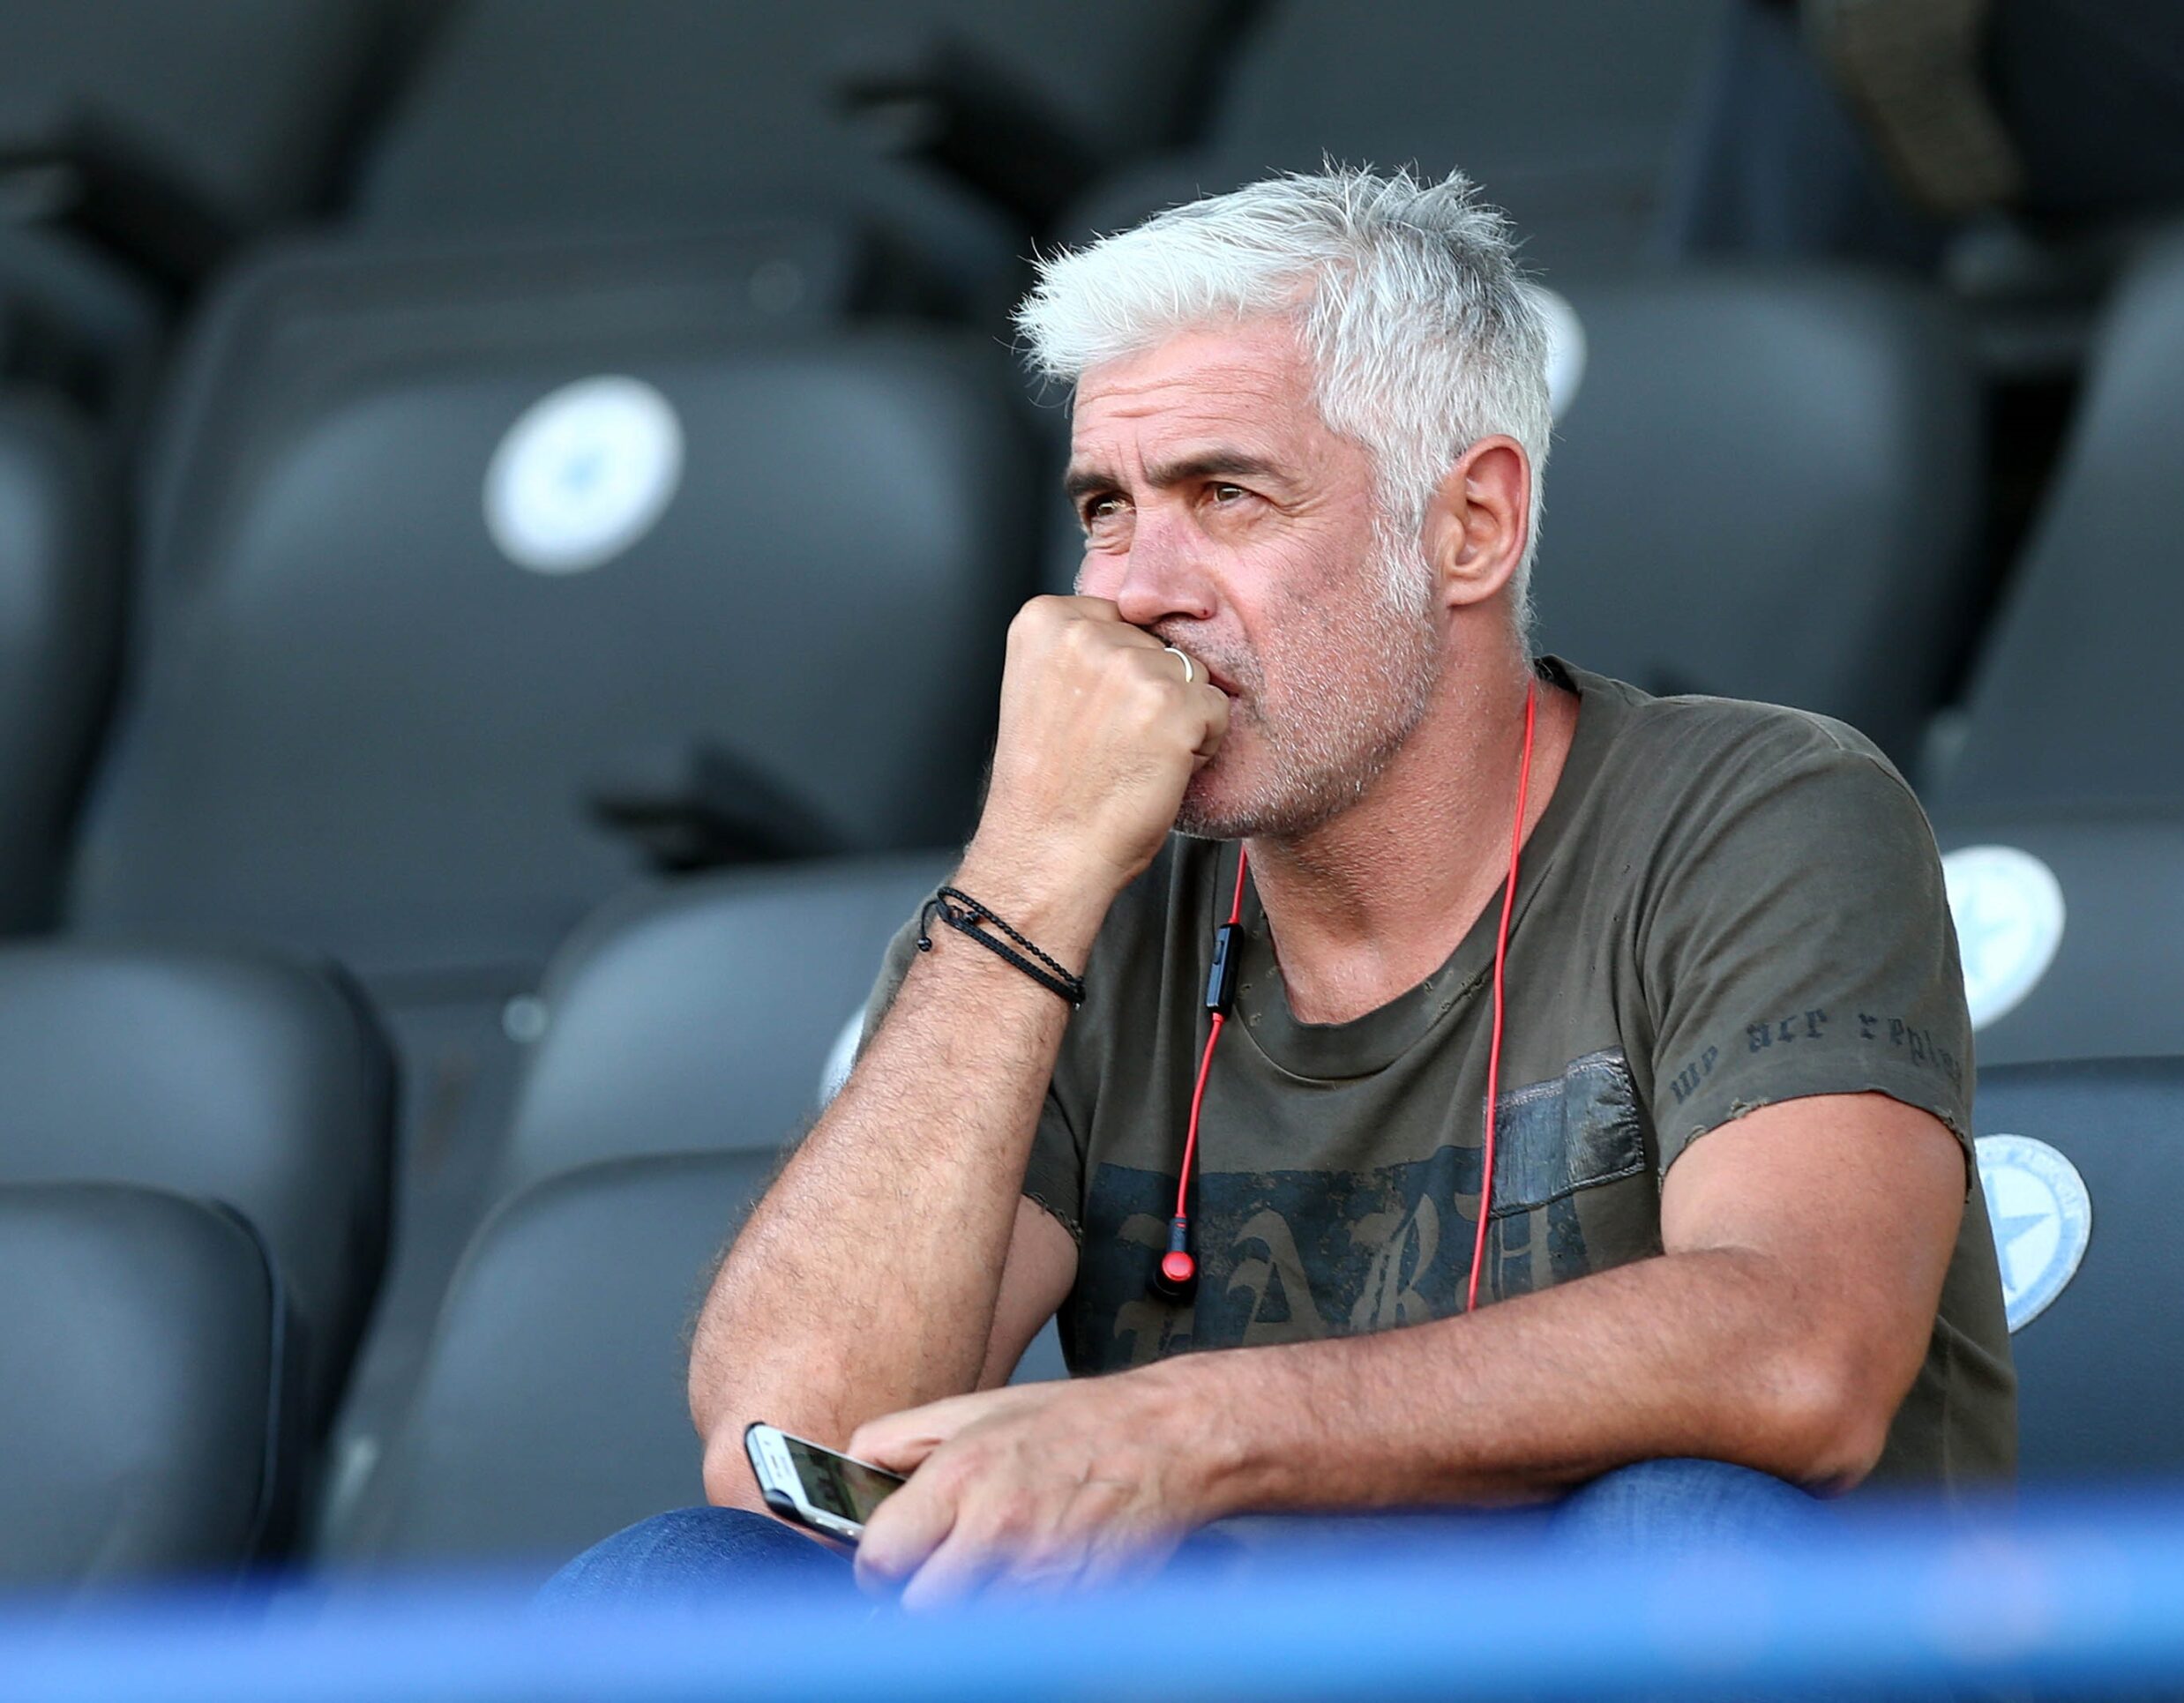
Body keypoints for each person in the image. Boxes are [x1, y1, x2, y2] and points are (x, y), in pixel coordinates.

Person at [547, 167, 2014, 1613]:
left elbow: (1799, 1354)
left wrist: (1184, 1431)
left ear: (1471, 525)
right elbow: (793, 1453)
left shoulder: (1763, 810)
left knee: (1681, 1533)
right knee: (679, 1587)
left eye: (1225, 495)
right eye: (1106, 508)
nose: (1135, 591)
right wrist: (1027, 879)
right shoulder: (1062, 891)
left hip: (1636, 1654)